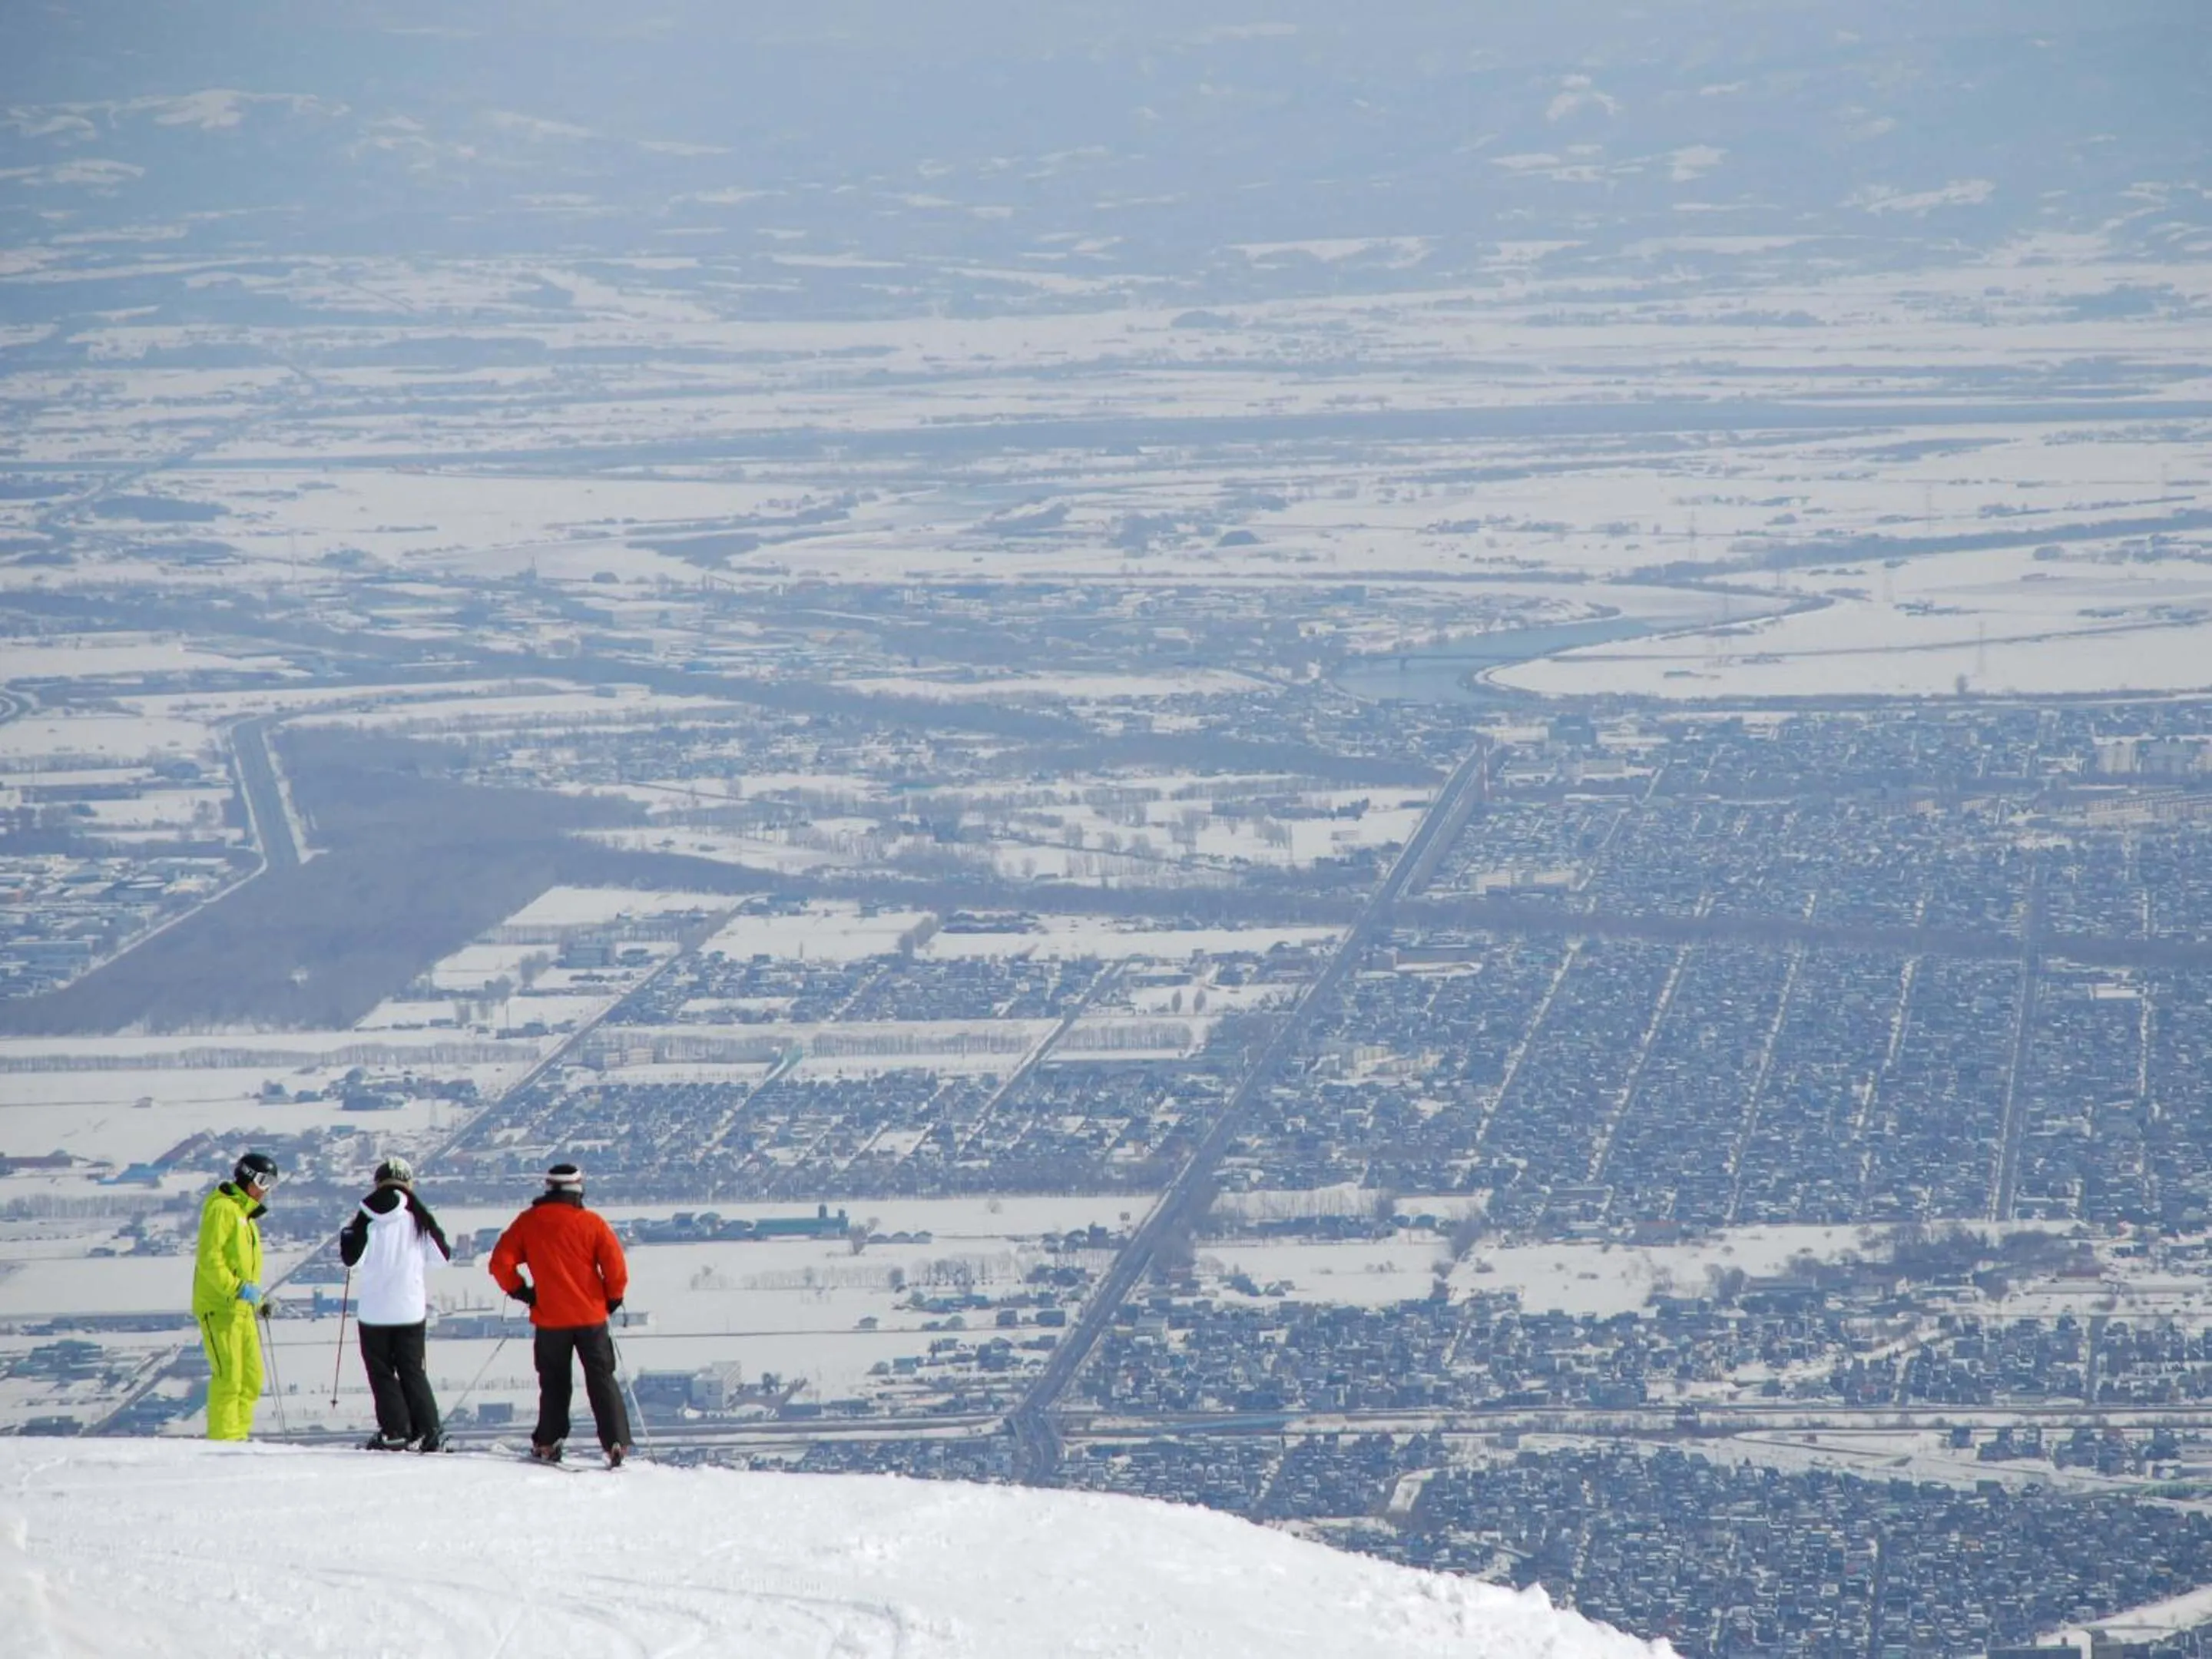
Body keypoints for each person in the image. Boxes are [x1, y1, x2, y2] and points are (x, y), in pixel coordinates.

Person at [487, 1161, 632, 1466]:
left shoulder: (529, 1222)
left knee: (553, 1382)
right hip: (591, 1317)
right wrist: (612, 1299)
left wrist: (523, 1292)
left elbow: (500, 1263)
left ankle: (548, 1443)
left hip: (550, 1318)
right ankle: (615, 1442)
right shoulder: (591, 1223)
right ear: (579, 1189)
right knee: (601, 1379)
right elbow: (616, 1268)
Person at [339, 1155, 452, 1452]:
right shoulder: (418, 1215)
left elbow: (352, 1260)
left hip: (374, 1311)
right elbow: (442, 1257)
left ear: (378, 1182)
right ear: (408, 1183)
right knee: (413, 1371)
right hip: (410, 1308)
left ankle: (396, 1430)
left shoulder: (365, 1216)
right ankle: (428, 1431)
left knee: (382, 1372)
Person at [193, 1151, 277, 1441]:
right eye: (265, 1181)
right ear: (249, 1177)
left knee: (250, 1379)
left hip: (243, 1309)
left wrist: (259, 1300)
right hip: (220, 1307)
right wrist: (236, 1289)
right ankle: (224, 1440)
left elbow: (245, 1269)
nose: (267, 1190)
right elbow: (210, 1259)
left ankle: (238, 1436)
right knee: (229, 1376)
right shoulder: (223, 1209)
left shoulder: (246, 1216)